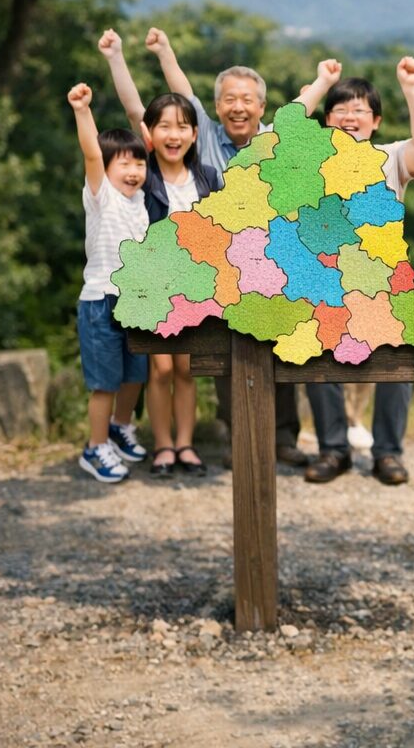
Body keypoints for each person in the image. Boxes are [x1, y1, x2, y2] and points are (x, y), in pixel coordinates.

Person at [140, 27, 307, 467]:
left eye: (247, 99)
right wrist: (164, 50)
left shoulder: (274, 139)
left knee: (285, 344)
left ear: (260, 107)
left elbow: (304, 110)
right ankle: (238, 434)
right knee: (225, 354)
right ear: (216, 107)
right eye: (230, 99)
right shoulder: (206, 138)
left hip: (273, 265)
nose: (238, 106)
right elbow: (181, 90)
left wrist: (323, 81)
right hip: (219, 271)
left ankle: (284, 437)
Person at [294, 56, 414, 485]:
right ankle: (333, 450)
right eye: (340, 108)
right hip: (324, 279)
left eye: (360, 109)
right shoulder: (312, 160)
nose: (349, 116)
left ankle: (388, 453)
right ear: (326, 119)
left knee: (396, 363)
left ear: (375, 121)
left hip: (380, 283)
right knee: (319, 365)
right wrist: (322, 82)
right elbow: (283, 131)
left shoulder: (389, 157)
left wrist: (411, 88)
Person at [100, 30, 223, 476]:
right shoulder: (146, 174)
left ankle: (186, 445)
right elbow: (135, 106)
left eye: (182, 126)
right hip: (152, 283)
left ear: (194, 133)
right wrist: (117, 57)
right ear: (151, 134)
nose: (174, 135)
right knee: (161, 371)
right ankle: (163, 446)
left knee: (188, 370)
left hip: (196, 285)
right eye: (164, 127)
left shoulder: (208, 177)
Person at [67, 82, 151, 483]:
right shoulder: (102, 195)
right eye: (125, 164)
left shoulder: (140, 204)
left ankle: (119, 426)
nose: (134, 171)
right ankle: (95, 447)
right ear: (107, 169)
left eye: (140, 164)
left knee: (137, 374)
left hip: (135, 303)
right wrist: (83, 111)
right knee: (105, 383)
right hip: (102, 300)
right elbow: (90, 152)